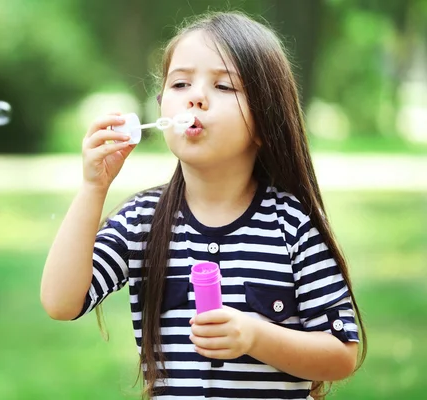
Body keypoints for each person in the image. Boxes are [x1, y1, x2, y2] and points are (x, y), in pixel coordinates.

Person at [40, 10, 367, 400]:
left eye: (224, 86)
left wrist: (255, 336)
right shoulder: (142, 221)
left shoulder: (291, 225)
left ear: (265, 122)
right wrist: (94, 188)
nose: (195, 96)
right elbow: (61, 302)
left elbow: (341, 355)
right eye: (180, 83)